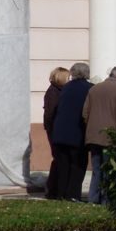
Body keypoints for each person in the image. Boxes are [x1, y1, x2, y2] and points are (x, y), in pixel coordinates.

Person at [82, 65, 116, 205]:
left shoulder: (94, 88)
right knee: (109, 169)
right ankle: (107, 200)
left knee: (96, 169)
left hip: (93, 135)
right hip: (111, 137)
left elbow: (85, 113)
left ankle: (93, 198)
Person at [51, 62, 93, 202]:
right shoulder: (90, 88)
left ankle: (61, 193)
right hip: (77, 133)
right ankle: (73, 195)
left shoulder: (66, 87)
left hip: (60, 132)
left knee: (63, 165)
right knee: (78, 165)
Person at [42, 66, 70, 199]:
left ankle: (54, 188)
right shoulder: (53, 92)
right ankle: (52, 188)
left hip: (55, 129)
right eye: (67, 77)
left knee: (59, 159)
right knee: (59, 159)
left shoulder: (58, 90)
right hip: (55, 130)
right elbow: (51, 113)